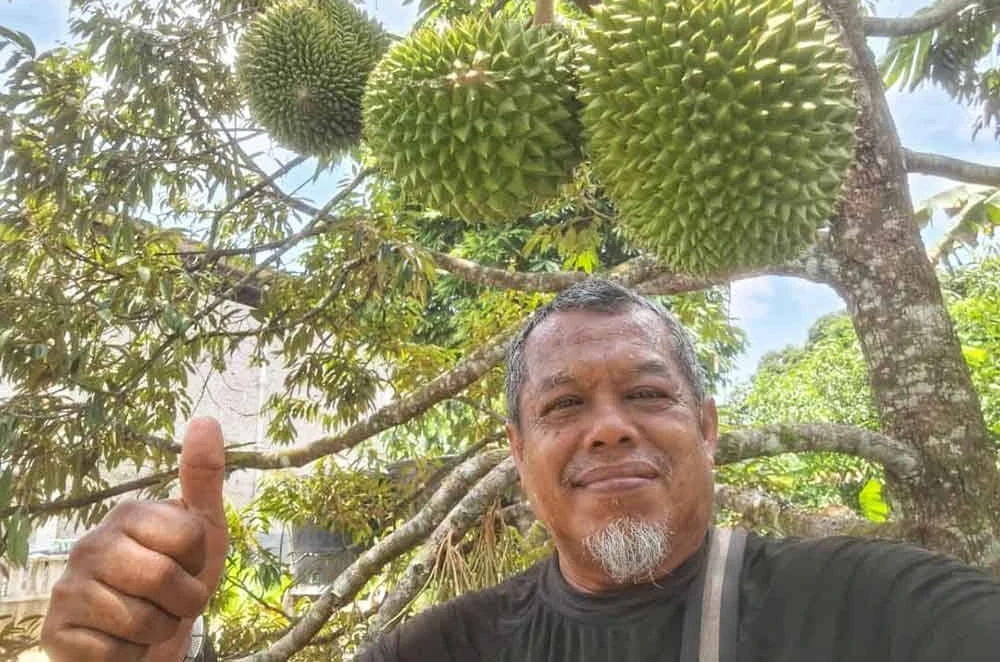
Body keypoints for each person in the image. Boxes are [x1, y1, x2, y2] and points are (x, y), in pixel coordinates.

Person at [40, 279, 1000, 662]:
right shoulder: (442, 650)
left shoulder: (872, 607)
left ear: (707, 429)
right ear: (518, 454)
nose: (611, 431)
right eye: (565, 406)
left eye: (650, 396)